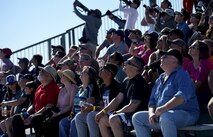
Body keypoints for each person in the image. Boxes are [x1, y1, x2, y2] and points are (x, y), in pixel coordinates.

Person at [132, 49, 200, 137]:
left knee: (166, 117)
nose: (162, 57)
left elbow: (182, 97)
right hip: (162, 114)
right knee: (137, 118)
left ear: (175, 60)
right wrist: (152, 113)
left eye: (166, 56)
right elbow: (152, 101)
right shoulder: (160, 78)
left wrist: (163, 109)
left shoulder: (182, 74)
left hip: (187, 114)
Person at [95, 56, 150, 137]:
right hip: (126, 115)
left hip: (136, 116)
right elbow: (117, 100)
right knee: (102, 119)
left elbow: (133, 106)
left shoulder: (139, 83)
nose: (124, 63)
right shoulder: (126, 80)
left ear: (136, 68)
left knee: (113, 119)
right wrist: (103, 111)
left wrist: (117, 112)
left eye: (128, 62)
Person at [12, 65, 59, 137]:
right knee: (17, 118)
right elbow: (34, 105)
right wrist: (27, 114)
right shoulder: (40, 87)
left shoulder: (53, 87)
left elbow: (50, 105)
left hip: (46, 114)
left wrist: (34, 115)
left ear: (49, 76)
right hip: (36, 113)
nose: (40, 72)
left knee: (35, 118)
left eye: (42, 71)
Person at [75, 63, 121, 137]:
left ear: (109, 74)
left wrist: (93, 108)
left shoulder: (116, 87)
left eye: (103, 69)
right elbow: (102, 104)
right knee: (79, 116)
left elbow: (112, 107)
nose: (101, 69)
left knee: (91, 115)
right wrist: (89, 107)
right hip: (103, 112)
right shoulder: (102, 86)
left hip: (112, 114)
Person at [59, 66, 100, 137]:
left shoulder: (91, 88)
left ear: (89, 76)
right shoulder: (80, 88)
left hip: (84, 113)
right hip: (75, 113)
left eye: (84, 72)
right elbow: (75, 103)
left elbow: (90, 104)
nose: (81, 73)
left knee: (74, 122)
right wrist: (72, 113)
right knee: (63, 122)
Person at [41, 69, 78, 137]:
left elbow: (70, 106)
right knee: (45, 118)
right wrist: (53, 112)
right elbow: (58, 105)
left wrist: (57, 114)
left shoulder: (73, 88)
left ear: (68, 78)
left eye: (63, 75)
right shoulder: (61, 89)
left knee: (55, 121)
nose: (61, 77)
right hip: (59, 111)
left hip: (67, 112)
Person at [186, 40, 213, 113]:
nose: (190, 47)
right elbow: (187, 80)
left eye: (193, 46)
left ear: (200, 51)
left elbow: (198, 84)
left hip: (204, 93)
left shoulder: (205, 63)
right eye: (190, 46)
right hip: (194, 91)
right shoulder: (190, 64)